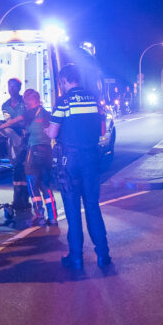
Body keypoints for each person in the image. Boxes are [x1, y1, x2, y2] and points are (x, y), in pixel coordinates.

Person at [46, 64, 112, 271]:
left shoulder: (64, 101)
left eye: (61, 83)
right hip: (91, 158)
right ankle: (103, 254)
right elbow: (101, 129)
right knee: (92, 206)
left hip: (70, 161)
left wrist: (47, 128)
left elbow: (53, 133)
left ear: (64, 81)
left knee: (73, 210)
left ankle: (76, 257)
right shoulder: (94, 99)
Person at [1, 88, 57, 227]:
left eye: (27, 102)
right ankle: (53, 217)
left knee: (32, 184)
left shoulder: (31, 112)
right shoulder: (46, 113)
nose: (25, 104)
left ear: (33, 101)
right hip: (47, 152)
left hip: (35, 151)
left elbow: (14, 121)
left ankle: (39, 215)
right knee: (46, 184)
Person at [1, 77, 29, 210]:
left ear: (19, 88)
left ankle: (23, 200)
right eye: (9, 86)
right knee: (17, 168)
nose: (12, 89)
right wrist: (15, 123)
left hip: (26, 139)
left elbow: (24, 122)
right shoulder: (5, 105)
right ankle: (19, 201)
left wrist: (12, 123)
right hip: (13, 140)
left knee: (25, 168)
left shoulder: (25, 103)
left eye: (14, 87)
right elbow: (14, 122)